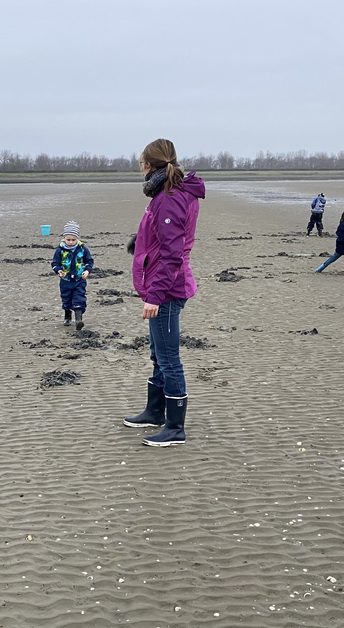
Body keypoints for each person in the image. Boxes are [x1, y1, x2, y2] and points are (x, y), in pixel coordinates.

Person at [123, 138, 206, 447]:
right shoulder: (166, 193)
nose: (139, 166)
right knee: (158, 354)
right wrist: (140, 242)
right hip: (163, 284)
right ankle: (155, 411)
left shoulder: (169, 197)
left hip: (168, 289)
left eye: (141, 161)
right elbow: (164, 238)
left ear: (149, 164)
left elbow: (173, 254)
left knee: (169, 358)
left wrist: (155, 297)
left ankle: (175, 427)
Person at [51, 220, 94, 330]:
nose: (70, 242)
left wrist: (87, 271)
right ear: (64, 238)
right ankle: (67, 315)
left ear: (77, 238)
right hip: (65, 280)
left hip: (79, 279)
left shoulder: (82, 249)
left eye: (73, 240)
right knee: (66, 299)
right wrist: (59, 271)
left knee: (79, 298)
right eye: (68, 239)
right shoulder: (60, 250)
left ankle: (79, 320)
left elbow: (89, 261)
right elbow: (55, 263)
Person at [314, 209, 344, 275]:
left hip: (341, 246)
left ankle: (319, 269)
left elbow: (338, 233)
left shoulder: (341, 225)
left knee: (332, 259)